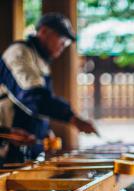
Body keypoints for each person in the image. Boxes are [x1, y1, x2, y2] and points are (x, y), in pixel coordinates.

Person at [0, 13, 97, 162]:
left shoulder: (41, 61)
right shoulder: (19, 53)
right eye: (62, 39)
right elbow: (34, 98)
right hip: (7, 149)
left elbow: (41, 107)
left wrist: (45, 131)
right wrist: (73, 118)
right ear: (44, 31)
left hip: (28, 150)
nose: (63, 45)